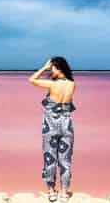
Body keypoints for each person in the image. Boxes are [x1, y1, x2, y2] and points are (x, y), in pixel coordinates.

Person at [28, 56, 76, 202]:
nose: (50, 71)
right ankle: (64, 193)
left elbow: (32, 79)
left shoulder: (52, 85)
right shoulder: (72, 84)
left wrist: (43, 67)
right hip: (67, 126)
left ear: (58, 68)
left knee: (50, 159)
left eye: (52, 68)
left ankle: (51, 192)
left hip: (50, 127)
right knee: (65, 160)